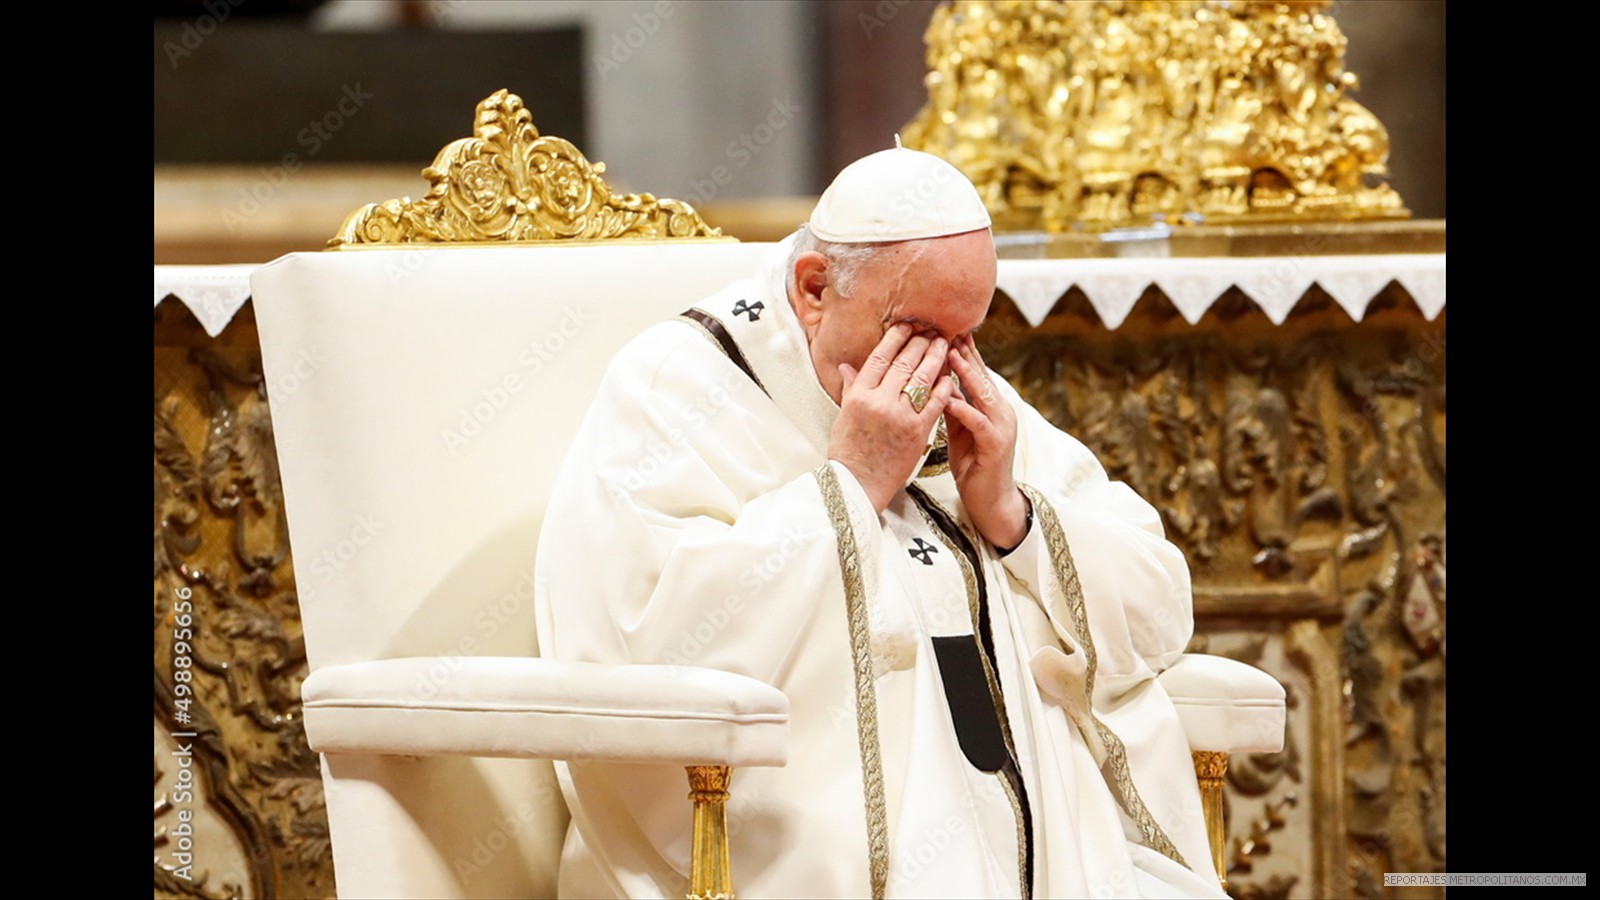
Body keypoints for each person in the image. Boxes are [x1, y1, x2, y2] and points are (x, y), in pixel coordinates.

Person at [534, 147, 1226, 899]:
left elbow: (1162, 606)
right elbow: (646, 641)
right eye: (916, 330)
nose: (940, 370)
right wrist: (852, 484)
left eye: (968, 336)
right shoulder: (677, 387)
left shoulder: (964, 388)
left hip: (1038, 854)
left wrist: (1012, 517)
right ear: (815, 288)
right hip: (806, 850)